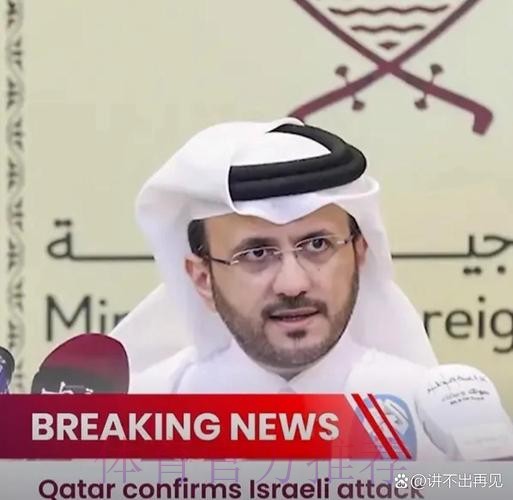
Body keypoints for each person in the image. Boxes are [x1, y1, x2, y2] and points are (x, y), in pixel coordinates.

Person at [111, 118, 443, 458]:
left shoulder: (434, 423)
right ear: (203, 279)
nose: (293, 284)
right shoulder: (135, 427)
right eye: (256, 254)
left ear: (359, 254)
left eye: (317, 245)